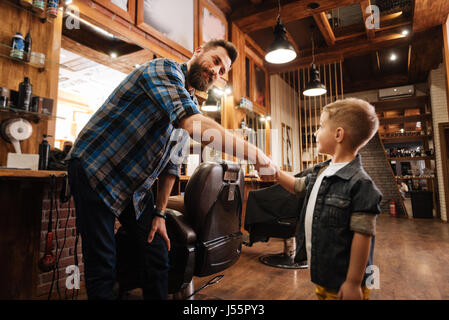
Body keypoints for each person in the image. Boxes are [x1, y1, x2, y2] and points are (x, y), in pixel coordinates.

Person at [67, 39, 277, 300]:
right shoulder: (164, 70)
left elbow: (171, 166)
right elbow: (193, 126)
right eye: (215, 61)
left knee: (157, 252)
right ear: (198, 51)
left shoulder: (190, 101)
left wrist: (159, 213)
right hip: (96, 168)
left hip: (134, 188)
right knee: (103, 263)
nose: (216, 72)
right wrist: (255, 153)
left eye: (222, 71)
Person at [274, 98, 383, 300]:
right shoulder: (321, 171)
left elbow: (363, 235)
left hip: (346, 280)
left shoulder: (361, 184)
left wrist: (353, 282)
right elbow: (299, 187)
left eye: (321, 126)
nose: (316, 132)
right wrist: (276, 173)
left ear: (339, 134)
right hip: (323, 272)